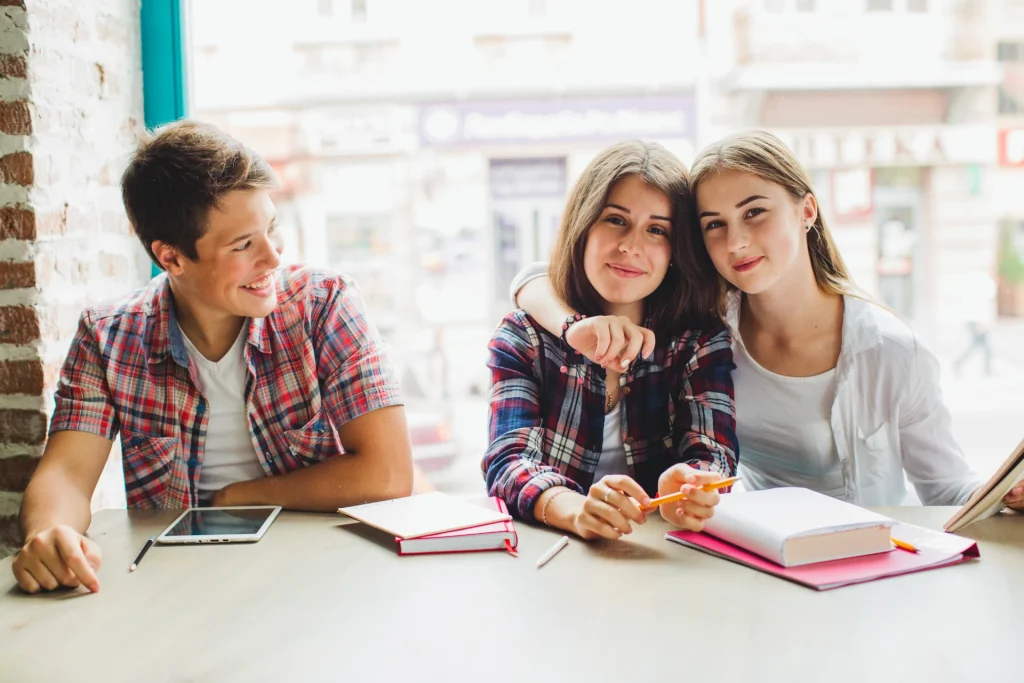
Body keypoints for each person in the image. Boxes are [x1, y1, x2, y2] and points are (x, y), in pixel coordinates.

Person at [512, 130, 1024, 511]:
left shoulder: (889, 349)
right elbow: (534, 276)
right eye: (714, 224)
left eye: (754, 212)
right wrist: (570, 326)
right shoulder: (712, 330)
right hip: (759, 557)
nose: (736, 242)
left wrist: (1005, 494)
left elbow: (948, 489)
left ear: (807, 211)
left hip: (871, 566)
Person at [12, 121, 413, 594]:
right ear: (172, 258)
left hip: (322, 576)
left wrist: (240, 498)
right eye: (244, 245)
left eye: (271, 229)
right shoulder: (108, 336)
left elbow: (388, 473)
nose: (273, 258)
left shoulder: (324, 303)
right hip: (180, 582)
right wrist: (49, 534)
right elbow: (65, 474)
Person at [483, 140, 737, 542]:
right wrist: (575, 509)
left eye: (657, 230)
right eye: (616, 220)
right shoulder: (526, 336)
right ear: (583, 225)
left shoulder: (696, 341)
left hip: (666, 555)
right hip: (553, 555)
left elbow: (715, 457)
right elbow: (508, 462)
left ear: (676, 250)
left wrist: (690, 485)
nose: (631, 247)